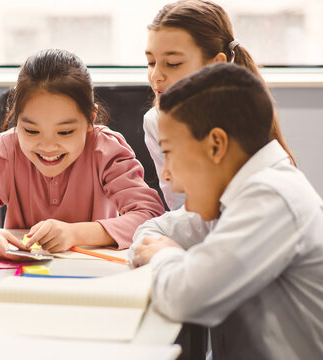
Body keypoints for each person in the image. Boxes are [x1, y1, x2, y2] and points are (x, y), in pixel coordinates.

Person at [130, 63, 323, 359]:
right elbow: (152, 231)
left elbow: (186, 297)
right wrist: (173, 257)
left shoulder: (270, 197)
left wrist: (166, 256)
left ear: (216, 145)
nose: (166, 174)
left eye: (168, 152)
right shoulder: (234, 199)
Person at [0, 49, 165, 259]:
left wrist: (76, 233)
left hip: (93, 275)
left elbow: (150, 215)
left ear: (90, 119)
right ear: (15, 118)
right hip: (22, 277)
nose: (48, 147)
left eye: (65, 132)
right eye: (31, 130)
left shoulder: (106, 151)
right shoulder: (6, 151)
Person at [143, 0, 295, 209]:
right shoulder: (155, 120)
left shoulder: (246, 114)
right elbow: (182, 209)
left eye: (173, 63)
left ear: (216, 65)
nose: (156, 76)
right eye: (151, 62)